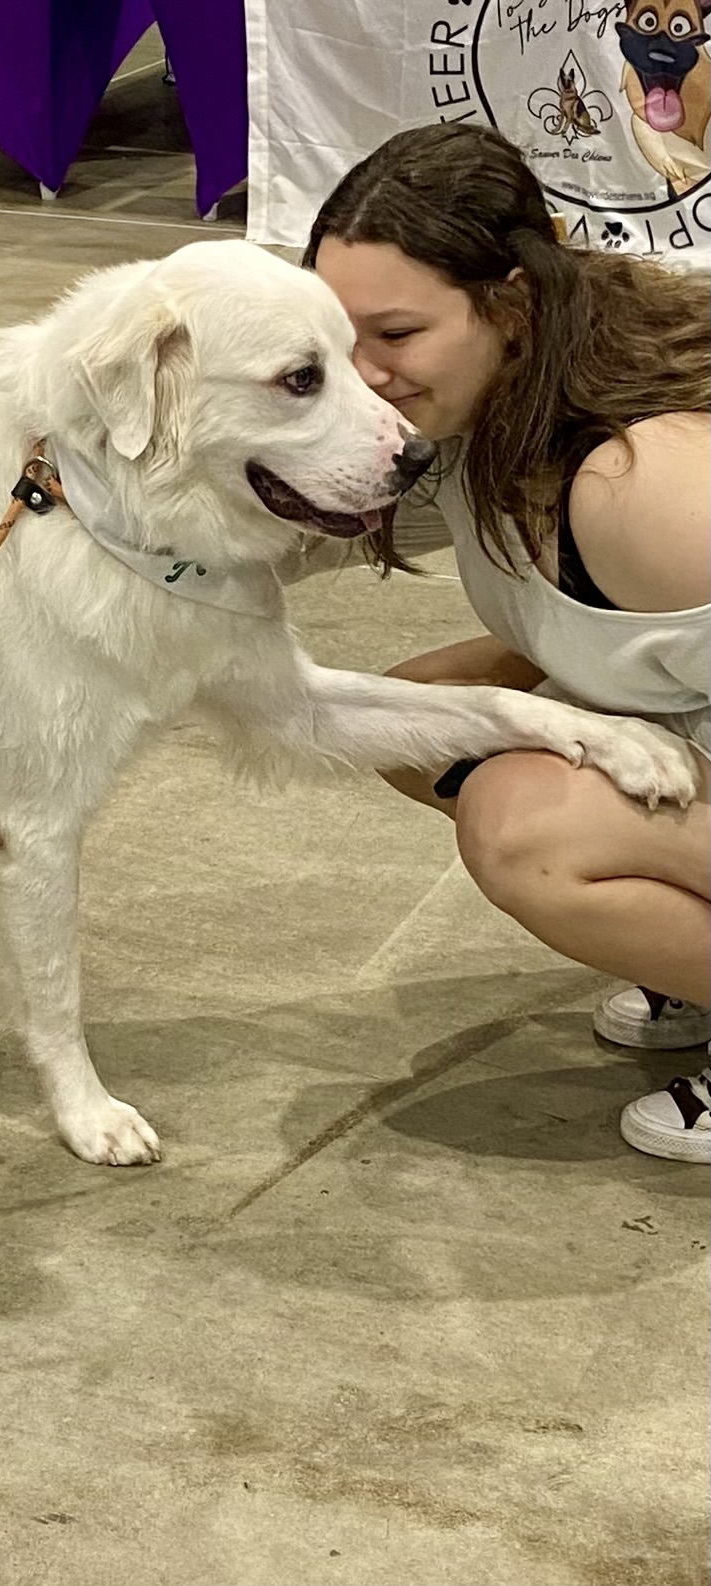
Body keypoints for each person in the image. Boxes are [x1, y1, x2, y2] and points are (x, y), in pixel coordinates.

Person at [303, 123, 709, 1163]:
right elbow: (261, 539)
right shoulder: (491, 407)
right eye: (330, 337)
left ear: (511, 309)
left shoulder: (641, 487)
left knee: (520, 822)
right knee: (394, 716)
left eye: (392, 334)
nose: (359, 374)